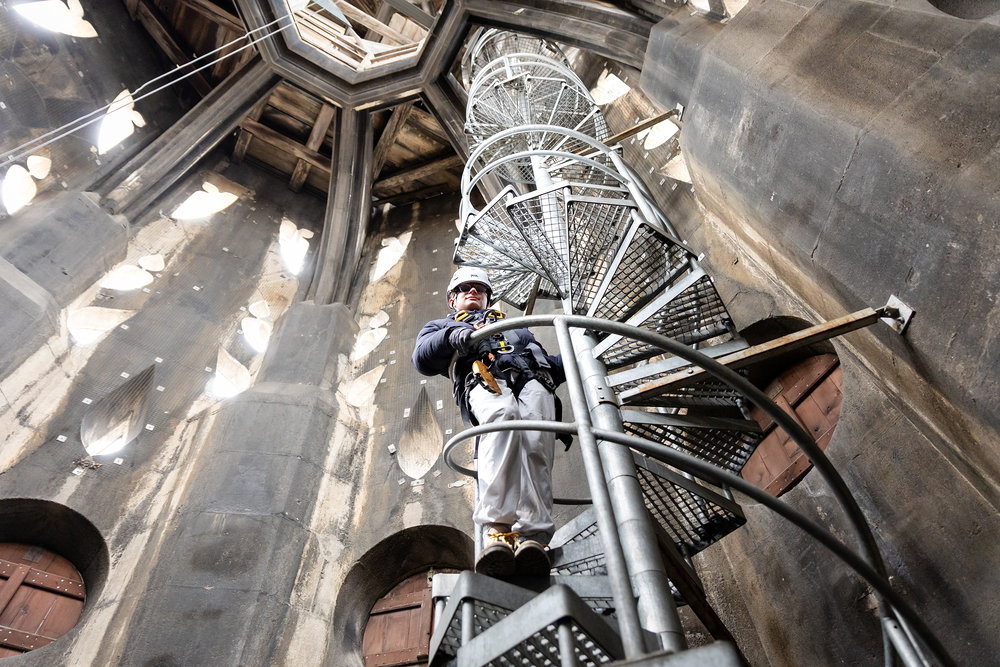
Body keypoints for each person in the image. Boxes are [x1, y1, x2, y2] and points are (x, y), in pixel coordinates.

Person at [412, 267, 565, 577]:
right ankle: (498, 528)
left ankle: (534, 536)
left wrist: (581, 354)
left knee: (536, 442)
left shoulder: (514, 327)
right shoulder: (441, 326)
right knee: (502, 418)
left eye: (480, 288)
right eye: (465, 288)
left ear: (488, 297)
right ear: (452, 299)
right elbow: (423, 359)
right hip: (485, 378)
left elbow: (547, 360)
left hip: (534, 380)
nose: (473, 291)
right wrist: (452, 336)